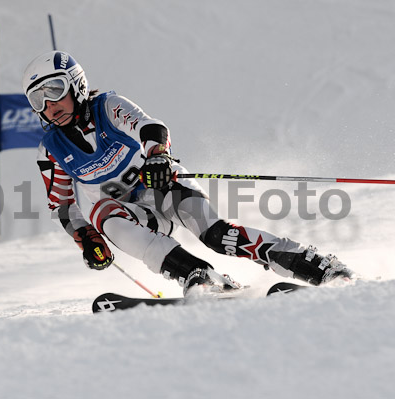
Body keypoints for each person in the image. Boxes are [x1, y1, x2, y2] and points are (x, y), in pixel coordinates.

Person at [21, 50, 355, 295]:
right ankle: (200, 277)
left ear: (76, 84)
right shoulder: (51, 149)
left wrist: (157, 158)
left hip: (161, 186)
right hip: (126, 212)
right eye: (38, 99)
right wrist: (87, 239)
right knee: (111, 223)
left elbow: (150, 127)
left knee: (216, 235)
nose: (49, 105)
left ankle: (316, 265)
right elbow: (63, 205)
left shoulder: (108, 107)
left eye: (54, 90)